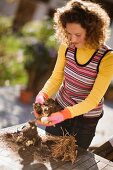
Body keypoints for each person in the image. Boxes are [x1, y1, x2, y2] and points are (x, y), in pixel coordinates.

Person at [33, 0, 113, 149]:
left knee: (75, 160)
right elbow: (57, 77)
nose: (72, 39)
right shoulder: (66, 45)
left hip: (85, 120)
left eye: (78, 34)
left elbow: (93, 100)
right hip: (60, 106)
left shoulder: (107, 58)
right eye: (69, 33)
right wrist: (42, 95)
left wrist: (64, 114)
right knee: (48, 151)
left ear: (93, 31)